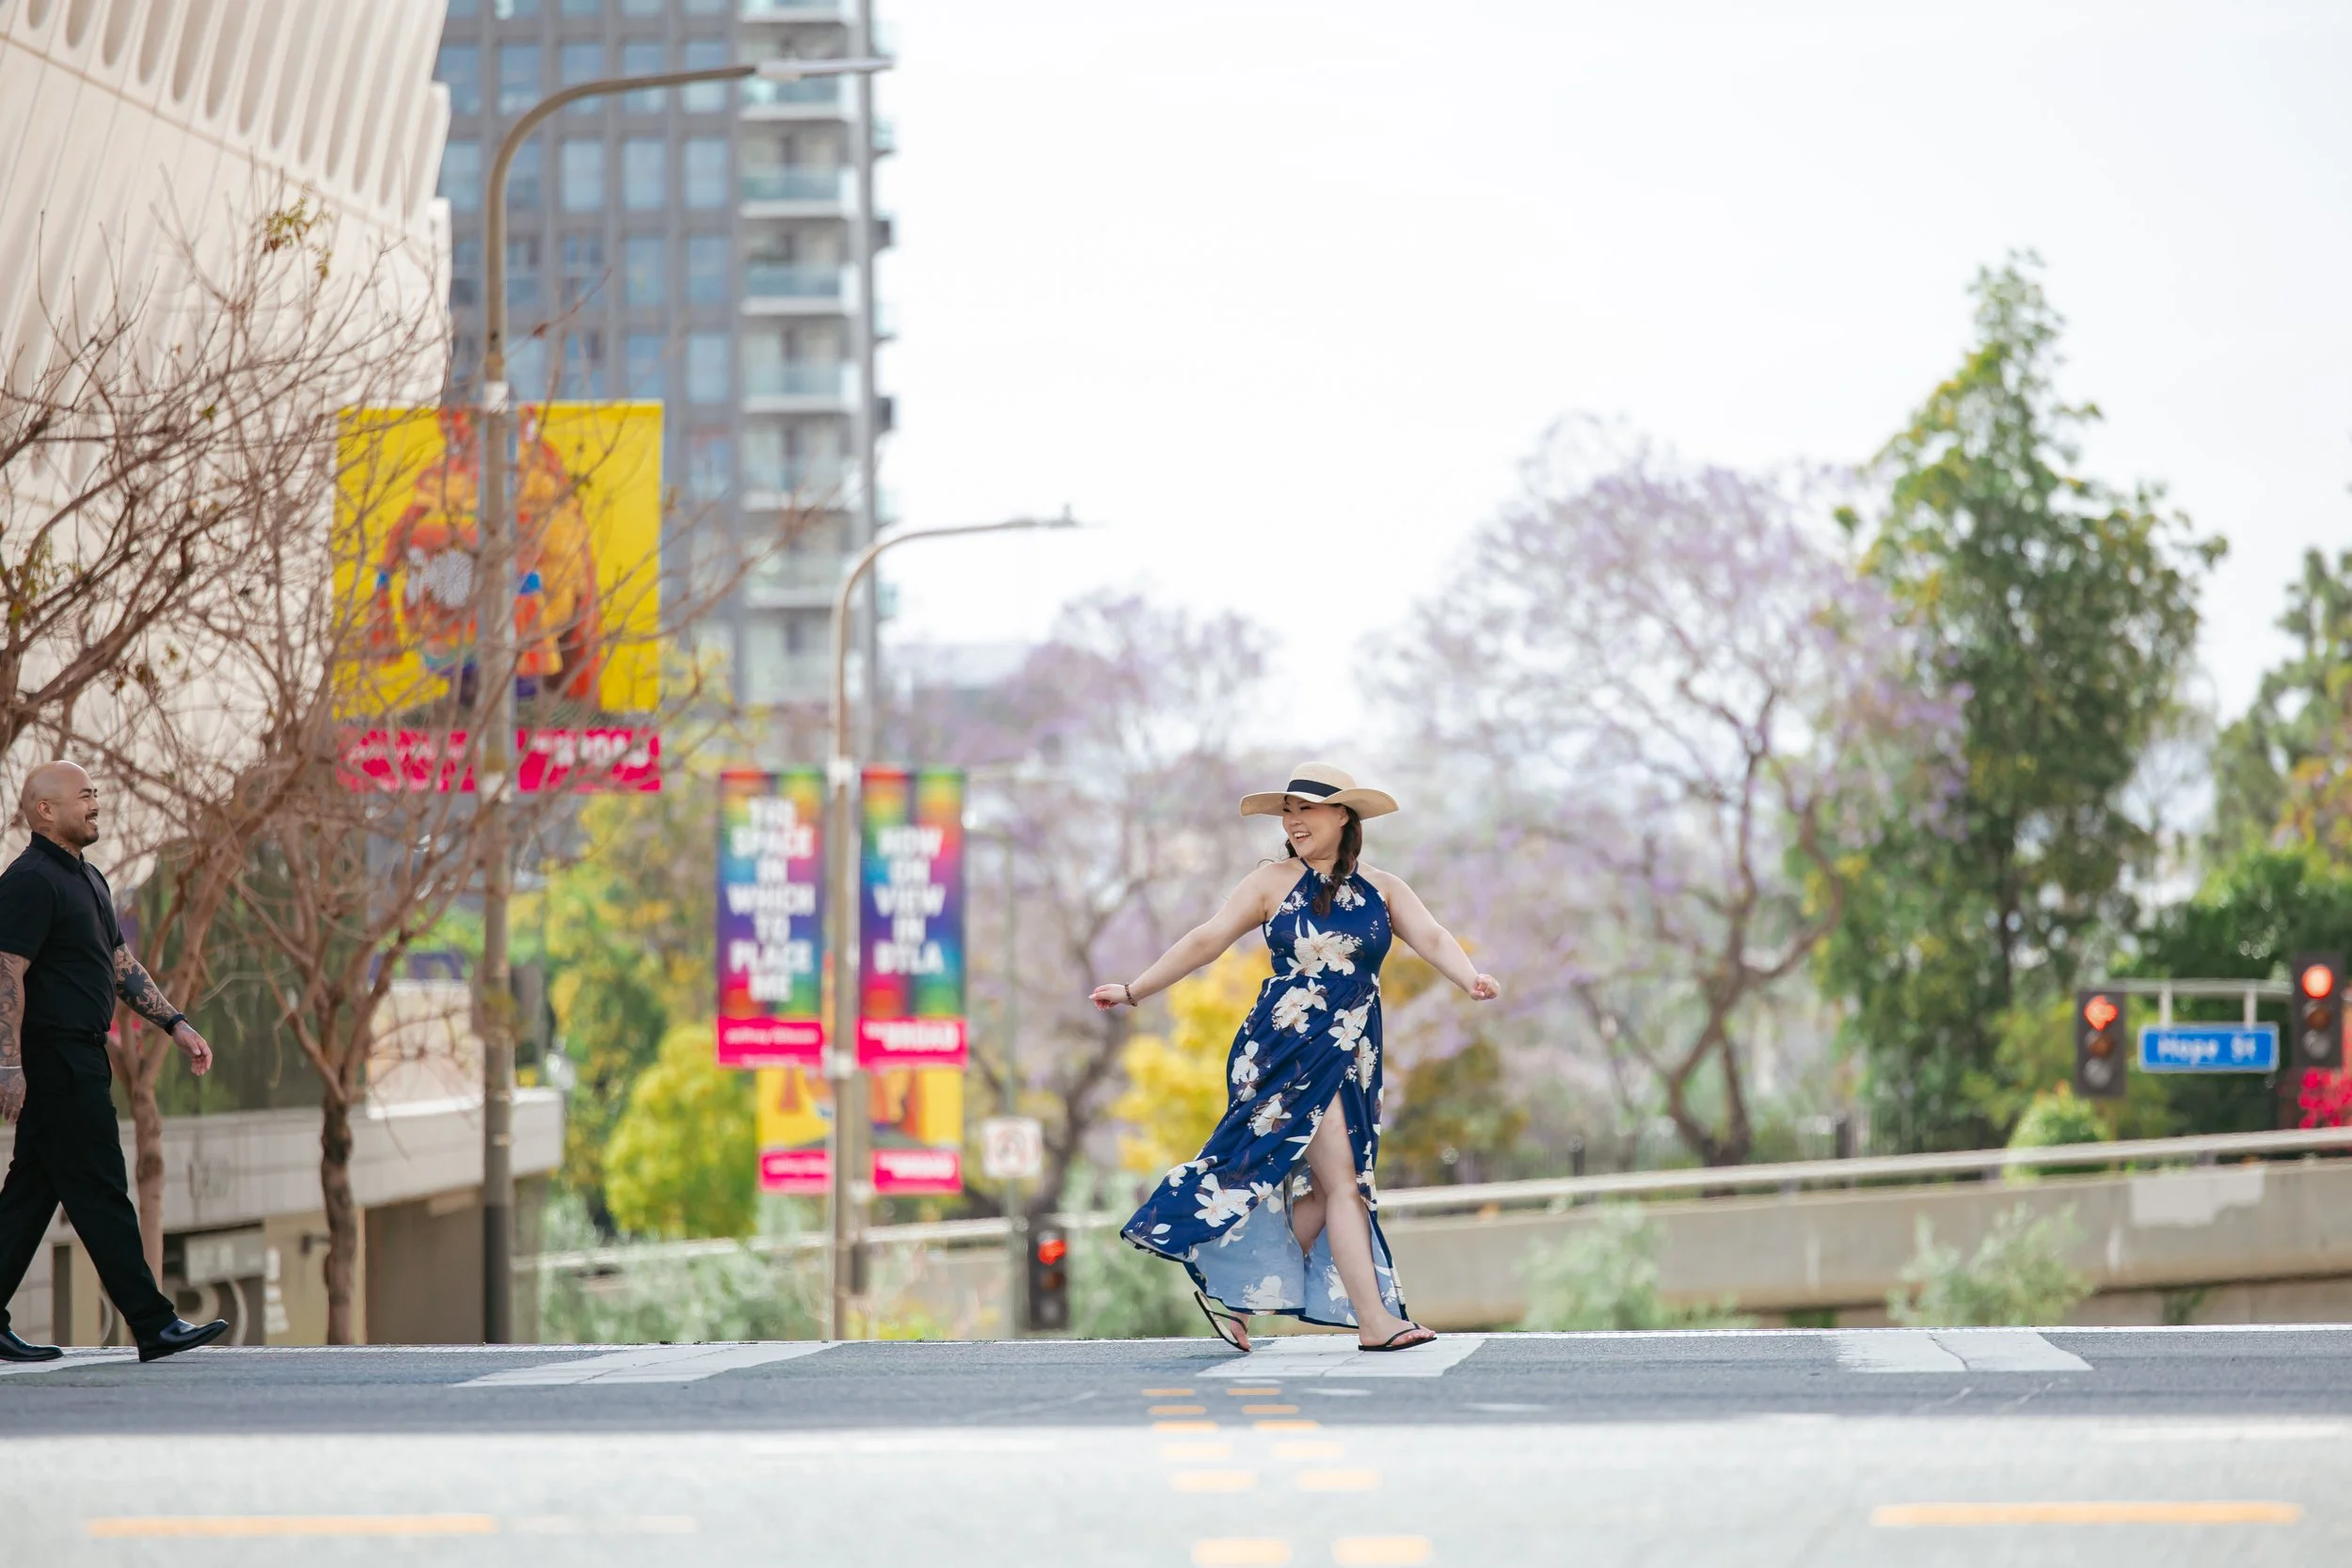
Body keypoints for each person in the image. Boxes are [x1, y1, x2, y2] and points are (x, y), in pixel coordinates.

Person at [1096, 763, 1500, 1352]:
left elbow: (1433, 936)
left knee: (1329, 1191)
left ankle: (1231, 1298)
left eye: (1307, 809)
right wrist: (1135, 989)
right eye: (1288, 810)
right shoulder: (1270, 882)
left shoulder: (1385, 888)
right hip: (1286, 1047)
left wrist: (1471, 978)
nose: (1294, 820)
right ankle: (1374, 1322)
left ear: (1343, 816)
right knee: (1342, 1183)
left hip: (1354, 1049)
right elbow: (1208, 939)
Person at [0, 762, 229, 1363]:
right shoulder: (28, 881)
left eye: (95, 794)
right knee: (101, 1188)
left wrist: (174, 1023)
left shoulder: (91, 879)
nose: (95, 803)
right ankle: (154, 1324)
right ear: (45, 810)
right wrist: (8, 1065)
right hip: (54, 1059)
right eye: (84, 796)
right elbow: (6, 973)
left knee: (31, 1193)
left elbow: (121, 963)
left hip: (83, 1056)